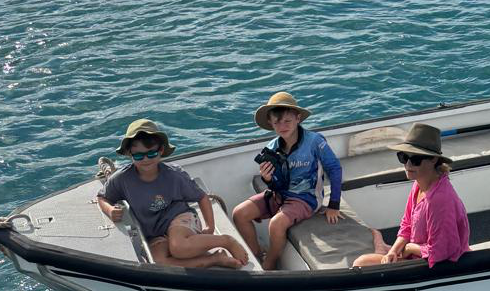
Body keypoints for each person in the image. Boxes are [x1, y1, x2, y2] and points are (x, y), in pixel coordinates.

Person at [97, 119, 249, 268]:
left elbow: (202, 197)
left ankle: (226, 241)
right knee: (159, 262)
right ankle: (215, 259)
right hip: (154, 233)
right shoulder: (122, 178)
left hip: (180, 218)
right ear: (130, 154)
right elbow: (102, 197)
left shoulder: (174, 175)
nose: (145, 159)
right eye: (138, 155)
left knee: (178, 247)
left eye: (151, 154)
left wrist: (209, 227)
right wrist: (109, 210)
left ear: (161, 150)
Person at [232, 92, 344, 270]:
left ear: (298, 118)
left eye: (287, 121)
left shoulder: (315, 141)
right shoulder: (271, 148)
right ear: (270, 123)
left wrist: (334, 205)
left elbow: (335, 169)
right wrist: (267, 179)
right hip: (280, 195)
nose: (282, 126)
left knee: (276, 224)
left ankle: (269, 264)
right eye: (277, 122)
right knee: (239, 213)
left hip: (306, 198)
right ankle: (256, 252)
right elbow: (278, 184)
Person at [353, 124, 469, 268]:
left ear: (433, 160)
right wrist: (394, 251)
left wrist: (410, 248)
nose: (408, 164)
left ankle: (382, 247)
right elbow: (407, 224)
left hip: (437, 265)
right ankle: (384, 249)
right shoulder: (419, 183)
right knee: (378, 257)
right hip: (418, 253)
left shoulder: (439, 200)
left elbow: (441, 252)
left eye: (415, 160)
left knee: (361, 264)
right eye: (403, 157)